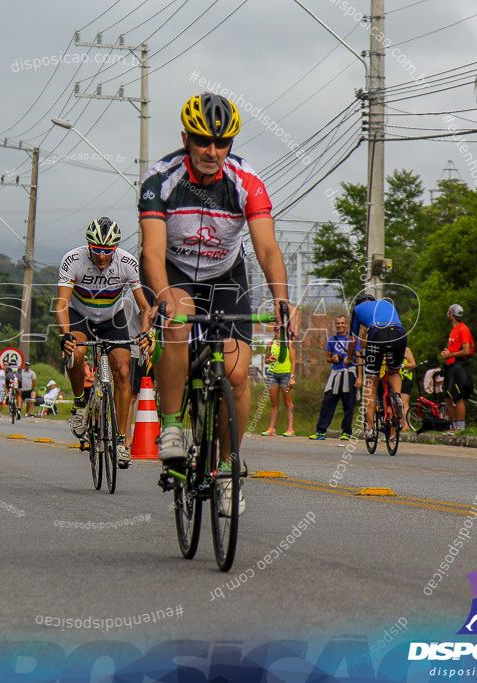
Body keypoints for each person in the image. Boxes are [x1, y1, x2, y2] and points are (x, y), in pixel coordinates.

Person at [140, 92, 292, 516]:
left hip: (225, 275)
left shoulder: (246, 181)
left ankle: (228, 469)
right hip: (171, 271)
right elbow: (152, 251)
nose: (212, 151)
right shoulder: (160, 179)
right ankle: (170, 427)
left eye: (221, 142)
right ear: (186, 138)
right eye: (203, 140)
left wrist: (281, 298)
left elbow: (266, 247)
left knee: (237, 374)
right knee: (178, 321)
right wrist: (164, 295)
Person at [56, 217, 151, 467]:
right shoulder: (73, 260)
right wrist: (66, 334)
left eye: (107, 252)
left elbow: (144, 306)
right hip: (81, 317)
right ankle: (79, 404)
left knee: (122, 369)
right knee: (74, 354)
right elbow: (62, 304)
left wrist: (145, 333)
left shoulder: (127, 262)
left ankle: (120, 441)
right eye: (97, 251)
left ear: (115, 248)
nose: (101, 257)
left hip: (113, 318)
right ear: (89, 246)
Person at [347, 292, 408, 441]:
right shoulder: (387, 303)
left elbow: (353, 340)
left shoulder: (357, 310)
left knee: (371, 381)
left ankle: (370, 429)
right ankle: (398, 398)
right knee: (394, 372)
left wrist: (349, 358)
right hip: (399, 334)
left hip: (377, 333)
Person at [309, 316, 360, 440]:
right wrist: (333, 359)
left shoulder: (353, 339)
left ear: (347, 325)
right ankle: (320, 431)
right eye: (338, 323)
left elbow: (358, 357)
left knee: (349, 404)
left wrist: (360, 377)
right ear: (335, 325)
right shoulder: (332, 339)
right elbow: (328, 358)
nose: (340, 325)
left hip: (349, 373)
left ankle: (346, 431)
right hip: (336, 373)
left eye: (342, 323)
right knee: (328, 402)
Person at [441, 303, 474, 432]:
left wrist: (451, 354)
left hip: (458, 365)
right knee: (447, 396)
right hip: (450, 365)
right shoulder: (454, 329)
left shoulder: (463, 329)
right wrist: (447, 353)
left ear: (451, 315)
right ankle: (454, 425)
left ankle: (460, 427)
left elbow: (466, 350)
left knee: (458, 396)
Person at [261, 333, 297, 437]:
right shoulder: (270, 344)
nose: (279, 332)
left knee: (288, 402)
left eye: (281, 330)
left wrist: (292, 377)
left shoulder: (288, 344)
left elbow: (293, 361)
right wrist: (269, 360)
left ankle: (290, 429)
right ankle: (271, 428)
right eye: (277, 329)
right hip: (273, 374)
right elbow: (266, 360)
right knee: (274, 402)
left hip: (285, 375)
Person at [398, 346, 417, 430]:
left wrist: (402, 365)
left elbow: (413, 364)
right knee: (397, 403)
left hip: (405, 378)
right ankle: (399, 425)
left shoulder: (406, 349)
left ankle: (406, 425)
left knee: (404, 402)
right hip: (394, 378)